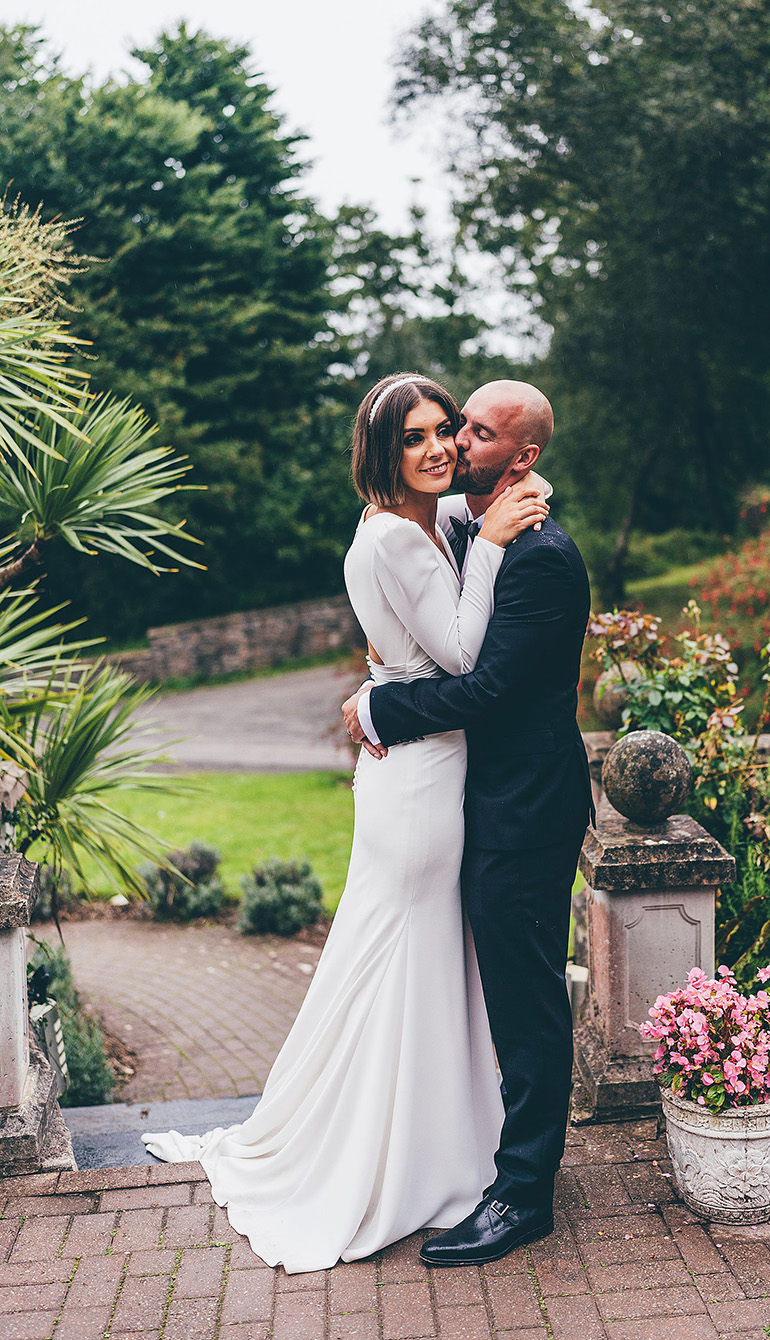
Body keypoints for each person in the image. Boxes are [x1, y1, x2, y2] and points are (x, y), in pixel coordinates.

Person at [141, 372, 548, 1273]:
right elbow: (464, 653)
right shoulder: (394, 543)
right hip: (421, 784)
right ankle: (391, 1160)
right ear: (381, 453)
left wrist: (511, 501)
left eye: (447, 430)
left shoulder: (429, 520)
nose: (440, 447)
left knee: (429, 960)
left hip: (437, 770)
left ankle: (448, 1145)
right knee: (405, 960)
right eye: (416, 437)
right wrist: (489, 548)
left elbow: (474, 544)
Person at [342, 378, 593, 1268]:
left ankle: (524, 1195)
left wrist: (379, 709)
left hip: (525, 810)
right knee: (489, 993)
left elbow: (485, 690)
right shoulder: (464, 526)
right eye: (447, 429)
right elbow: (418, 521)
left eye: (473, 433)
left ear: (520, 458)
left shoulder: (541, 558)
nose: (454, 445)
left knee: (525, 1004)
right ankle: (463, 1156)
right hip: (474, 801)